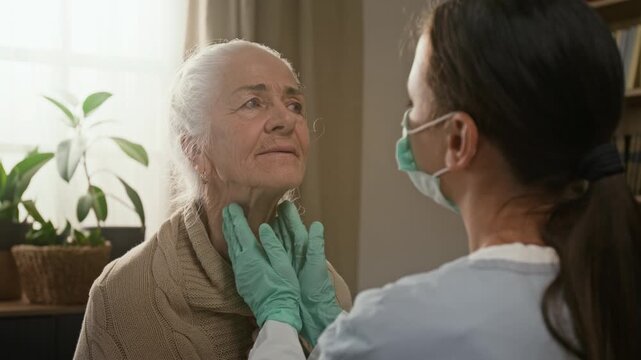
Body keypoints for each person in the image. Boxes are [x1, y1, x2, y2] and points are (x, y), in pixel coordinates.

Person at [222, 0, 641, 359]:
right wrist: (331, 332)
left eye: (415, 106)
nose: (283, 120)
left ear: (458, 139)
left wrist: (278, 320)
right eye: (253, 103)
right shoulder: (611, 289)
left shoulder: (399, 326)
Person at [73, 39, 352, 360]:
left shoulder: (323, 289)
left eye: (295, 105)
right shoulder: (125, 296)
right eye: (253, 102)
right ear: (195, 150)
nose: (286, 120)